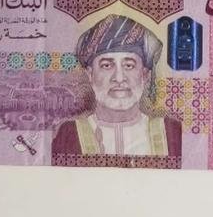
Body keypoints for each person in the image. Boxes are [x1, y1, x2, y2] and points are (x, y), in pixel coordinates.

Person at [52, 14, 181, 158]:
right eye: (107, 65)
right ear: (90, 74)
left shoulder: (171, 132)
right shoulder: (68, 135)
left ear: (144, 75)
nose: (119, 78)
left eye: (129, 65)